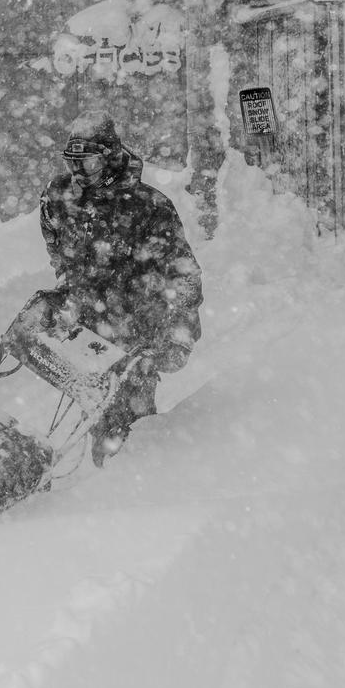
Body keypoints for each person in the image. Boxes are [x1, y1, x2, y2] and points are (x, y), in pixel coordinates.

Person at [26, 111, 203, 464]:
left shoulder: (149, 207)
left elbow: (184, 275)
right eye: (71, 162)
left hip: (137, 338)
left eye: (87, 162)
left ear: (109, 158)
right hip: (90, 334)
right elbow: (55, 240)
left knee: (129, 438)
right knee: (99, 424)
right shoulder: (60, 199)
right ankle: (101, 491)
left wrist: (177, 337)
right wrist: (66, 281)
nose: (77, 172)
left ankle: (136, 499)